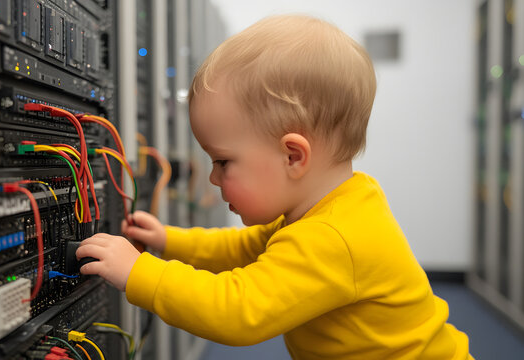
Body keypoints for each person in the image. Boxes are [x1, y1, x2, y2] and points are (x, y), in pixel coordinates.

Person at [76, 15, 472, 359]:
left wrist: (140, 273)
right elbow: (242, 249)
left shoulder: (332, 237)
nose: (213, 178)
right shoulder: (335, 205)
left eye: (223, 161)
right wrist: (168, 239)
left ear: (293, 157)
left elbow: (239, 310)